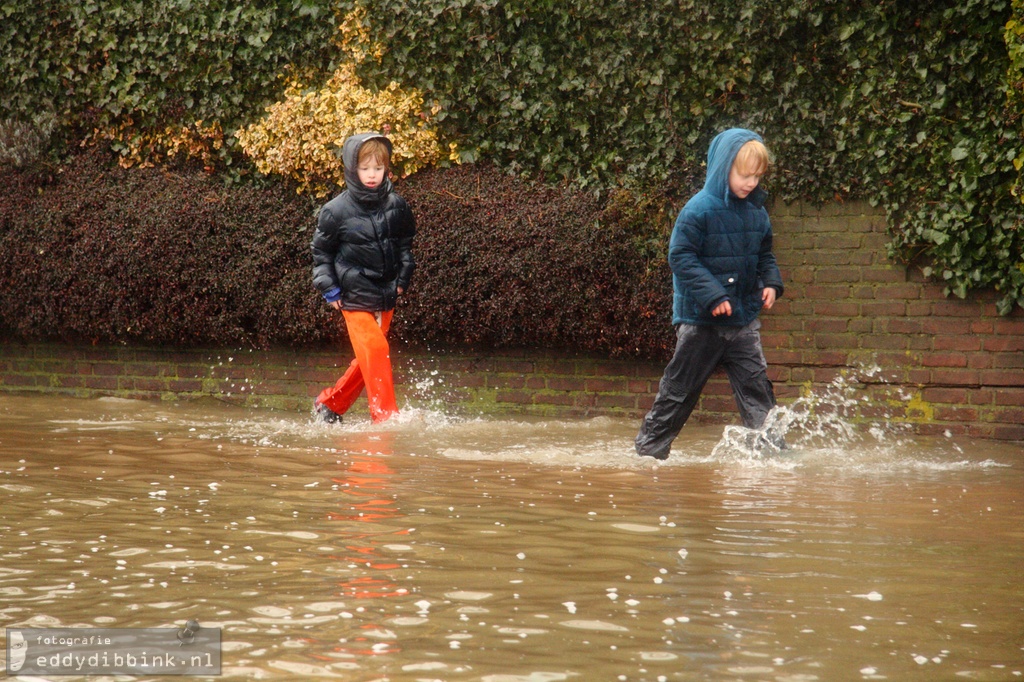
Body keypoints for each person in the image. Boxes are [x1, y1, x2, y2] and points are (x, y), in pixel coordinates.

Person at [635, 128, 784, 459]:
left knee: (757, 390)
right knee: (679, 393)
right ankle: (649, 454)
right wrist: (714, 296)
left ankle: (773, 457)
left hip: (743, 320)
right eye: (744, 175)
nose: (751, 183)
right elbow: (681, 257)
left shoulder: (758, 212)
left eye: (757, 177)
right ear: (723, 167)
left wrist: (772, 283)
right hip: (700, 322)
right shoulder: (698, 209)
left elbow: (765, 255)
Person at [311, 132, 415, 424]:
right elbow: (321, 254)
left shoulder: (398, 205)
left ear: (386, 169)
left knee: (369, 359)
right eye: (365, 168)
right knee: (376, 349)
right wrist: (330, 290)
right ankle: (385, 419)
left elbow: (405, 244)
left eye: (378, 168)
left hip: (385, 294)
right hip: (352, 294)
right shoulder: (335, 211)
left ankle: (329, 404)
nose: (372, 175)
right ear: (352, 169)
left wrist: (403, 279)